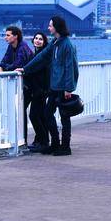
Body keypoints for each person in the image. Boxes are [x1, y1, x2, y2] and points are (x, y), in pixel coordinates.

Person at [18, 16, 79, 156]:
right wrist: (25, 69)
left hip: (62, 87)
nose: (48, 28)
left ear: (57, 27)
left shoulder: (67, 45)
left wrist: (69, 88)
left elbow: (71, 67)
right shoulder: (55, 43)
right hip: (54, 86)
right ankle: (55, 144)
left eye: (50, 25)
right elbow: (42, 57)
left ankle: (65, 147)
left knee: (64, 117)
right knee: (47, 114)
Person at [0, 25, 34, 143]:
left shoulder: (23, 47)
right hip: (24, 84)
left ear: (15, 36)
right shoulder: (11, 47)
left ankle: (25, 140)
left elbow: (18, 64)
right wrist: (0, 66)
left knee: (27, 113)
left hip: (32, 84)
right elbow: (5, 60)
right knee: (21, 111)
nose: (5, 37)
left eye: (8, 35)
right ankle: (23, 140)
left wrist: (4, 67)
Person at [25, 32, 51, 152]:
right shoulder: (36, 54)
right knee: (40, 116)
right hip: (37, 89)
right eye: (36, 38)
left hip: (41, 90)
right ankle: (40, 141)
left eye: (41, 39)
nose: (38, 40)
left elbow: (36, 70)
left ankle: (44, 142)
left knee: (34, 116)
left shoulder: (43, 55)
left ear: (44, 42)